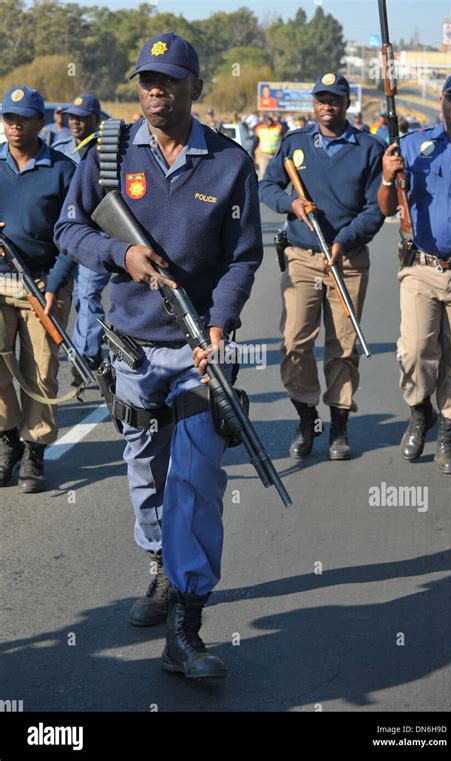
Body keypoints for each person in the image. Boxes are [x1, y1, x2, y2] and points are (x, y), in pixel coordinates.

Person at [55, 32, 263, 678]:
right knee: (145, 467)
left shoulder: (230, 163)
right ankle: (160, 568)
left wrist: (223, 325)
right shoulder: (111, 152)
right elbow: (72, 227)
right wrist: (123, 256)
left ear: (194, 87)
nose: (155, 89)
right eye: (147, 78)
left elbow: (244, 255)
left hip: (201, 350)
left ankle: (188, 626)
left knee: (197, 479)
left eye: (169, 79)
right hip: (135, 350)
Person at [260, 72, 384, 460]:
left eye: (335, 99)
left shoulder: (369, 148)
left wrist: (343, 239)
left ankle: (340, 429)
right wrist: (291, 205)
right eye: (321, 99)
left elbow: (376, 208)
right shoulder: (294, 143)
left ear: (347, 104)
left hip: (347, 260)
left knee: (343, 347)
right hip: (301, 258)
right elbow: (268, 186)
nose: (327, 106)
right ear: (313, 104)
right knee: (295, 342)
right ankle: (307, 420)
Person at [378, 71, 451, 474]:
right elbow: (385, 207)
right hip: (421, 266)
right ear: (442, 101)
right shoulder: (415, 145)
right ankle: (420, 413)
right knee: (416, 350)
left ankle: (448, 436)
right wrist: (387, 176)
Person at [0, 86, 76, 492]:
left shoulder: (63, 170)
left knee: (41, 374)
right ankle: (7, 440)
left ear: (40, 122)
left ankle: (35, 451)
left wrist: (59, 281)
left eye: (23, 118)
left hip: (42, 283)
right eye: (9, 118)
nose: (15, 126)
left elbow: (74, 234)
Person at [55, 94, 110, 384]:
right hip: (65, 237)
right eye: (72, 117)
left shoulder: (108, 151)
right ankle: (95, 347)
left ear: (96, 119)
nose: (75, 122)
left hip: (95, 235)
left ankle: (83, 357)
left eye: (82, 117)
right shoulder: (60, 148)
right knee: (77, 296)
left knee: (88, 293)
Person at [254, 114, 283, 180]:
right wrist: (253, 151)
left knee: (275, 174)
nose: (268, 122)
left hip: (275, 155)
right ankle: (263, 188)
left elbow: (284, 137)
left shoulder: (278, 127)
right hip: (263, 155)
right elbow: (255, 141)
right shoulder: (259, 128)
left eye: (269, 120)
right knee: (263, 174)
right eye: (266, 120)